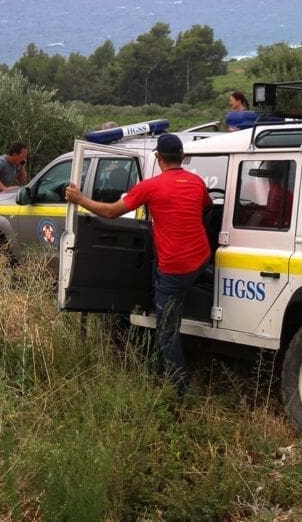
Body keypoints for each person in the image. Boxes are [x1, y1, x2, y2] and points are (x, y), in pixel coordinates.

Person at [65, 133, 210, 396]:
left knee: (167, 330)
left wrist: (80, 199)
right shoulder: (198, 182)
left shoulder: (150, 186)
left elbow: (111, 212)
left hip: (175, 268)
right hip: (200, 259)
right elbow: (205, 207)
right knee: (158, 271)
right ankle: (158, 299)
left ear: (158, 158)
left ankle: (181, 390)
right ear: (183, 157)